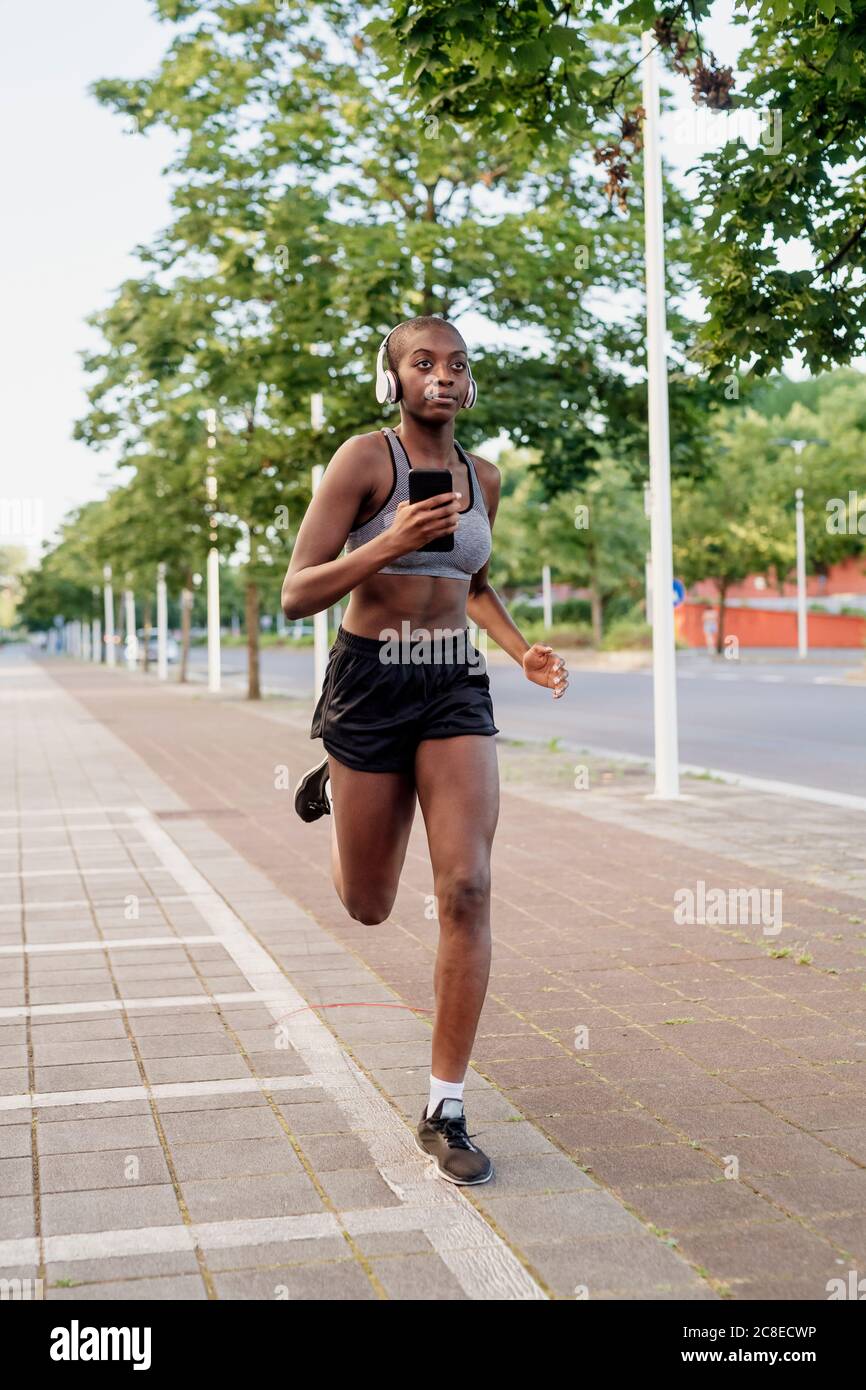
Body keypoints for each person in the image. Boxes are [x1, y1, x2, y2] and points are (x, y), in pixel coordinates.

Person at [281, 316, 569, 1184]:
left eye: (456, 365)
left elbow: (472, 582)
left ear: (470, 384)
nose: (441, 376)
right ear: (394, 379)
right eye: (422, 362)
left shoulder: (483, 476)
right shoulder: (363, 462)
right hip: (369, 683)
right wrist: (389, 543)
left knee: (468, 888)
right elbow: (297, 592)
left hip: (451, 683)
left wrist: (521, 650)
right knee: (369, 904)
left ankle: (446, 1105)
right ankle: (340, 779)